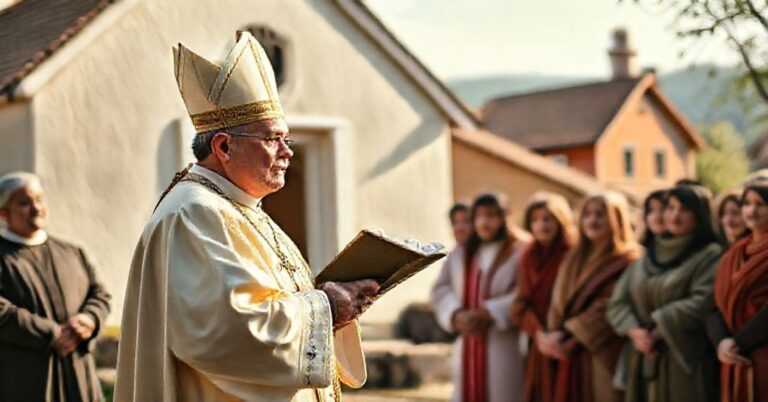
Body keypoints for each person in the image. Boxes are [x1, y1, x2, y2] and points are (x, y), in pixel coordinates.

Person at [114, 32, 378, 402]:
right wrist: (327, 307)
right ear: (224, 146)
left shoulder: (240, 208)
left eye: (287, 139)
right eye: (273, 139)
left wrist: (334, 302)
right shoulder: (195, 213)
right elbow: (227, 330)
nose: (287, 152)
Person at [0, 172, 111, 402]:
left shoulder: (72, 252)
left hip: (79, 375)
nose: (36, 207)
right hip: (25, 380)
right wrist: (50, 333)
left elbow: (100, 294)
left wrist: (89, 319)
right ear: (3, 213)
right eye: (24, 202)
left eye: (39, 199)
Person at [608, 185, 722, 402]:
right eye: (670, 208)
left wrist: (659, 327)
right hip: (645, 355)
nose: (674, 215)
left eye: (684, 209)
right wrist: (635, 332)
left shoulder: (710, 255)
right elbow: (618, 303)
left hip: (686, 357)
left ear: (700, 214)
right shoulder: (647, 256)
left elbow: (704, 300)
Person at [540, 192, 639, 402]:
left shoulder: (629, 260)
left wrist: (572, 335)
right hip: (566, 349)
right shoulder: (573, 257)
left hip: (603, 351)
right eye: (587, 214)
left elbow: (609, 305)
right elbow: (559, 300)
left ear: (616, 219)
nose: (592, 220)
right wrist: (554, 333)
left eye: (600, 215)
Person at [432, 194, 527, 402]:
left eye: (491, 216)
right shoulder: (462, 252)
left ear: (504, 216)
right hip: (467, 341)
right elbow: (441, 289)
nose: (484, 223)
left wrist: (491, 311)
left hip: (505, 342)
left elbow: (527, 291)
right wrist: (455, 314)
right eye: (479, 216)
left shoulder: (521, 249)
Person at [509, 192, 575, 402]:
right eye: (535, 220)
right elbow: (520, 304)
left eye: (548, 218)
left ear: (560, 220)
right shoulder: (527, 256)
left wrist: (563, 334)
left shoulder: (573, 254)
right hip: (537, 342)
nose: (542, 225)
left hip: (568, 341)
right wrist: (538, 333)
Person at [708, 178, 768, 402]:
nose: (752, 210)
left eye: (761, 204)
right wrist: (722, 342)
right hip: (733, 357)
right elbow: (714, 306)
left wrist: (739, 342)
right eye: (747, 203)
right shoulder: (734, 253)